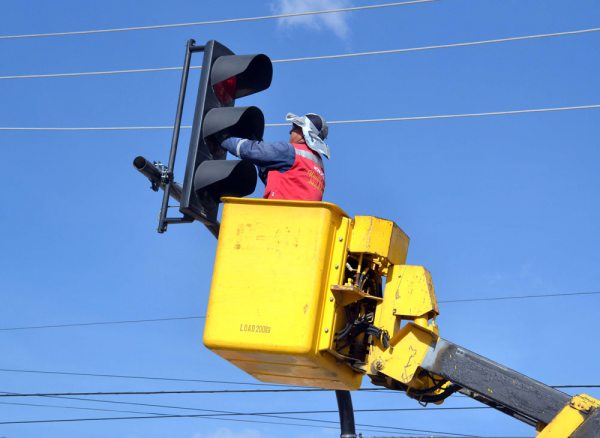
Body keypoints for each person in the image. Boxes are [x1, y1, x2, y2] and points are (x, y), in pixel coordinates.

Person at [220, 113, 329, 201]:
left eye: (294, 128)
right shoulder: (319, 168)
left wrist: (223, 139)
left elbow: (251, 150)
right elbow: (284, 184)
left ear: (303, 133)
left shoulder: (289, 151)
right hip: (302, 219)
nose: (290, 132)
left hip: (279, 214)